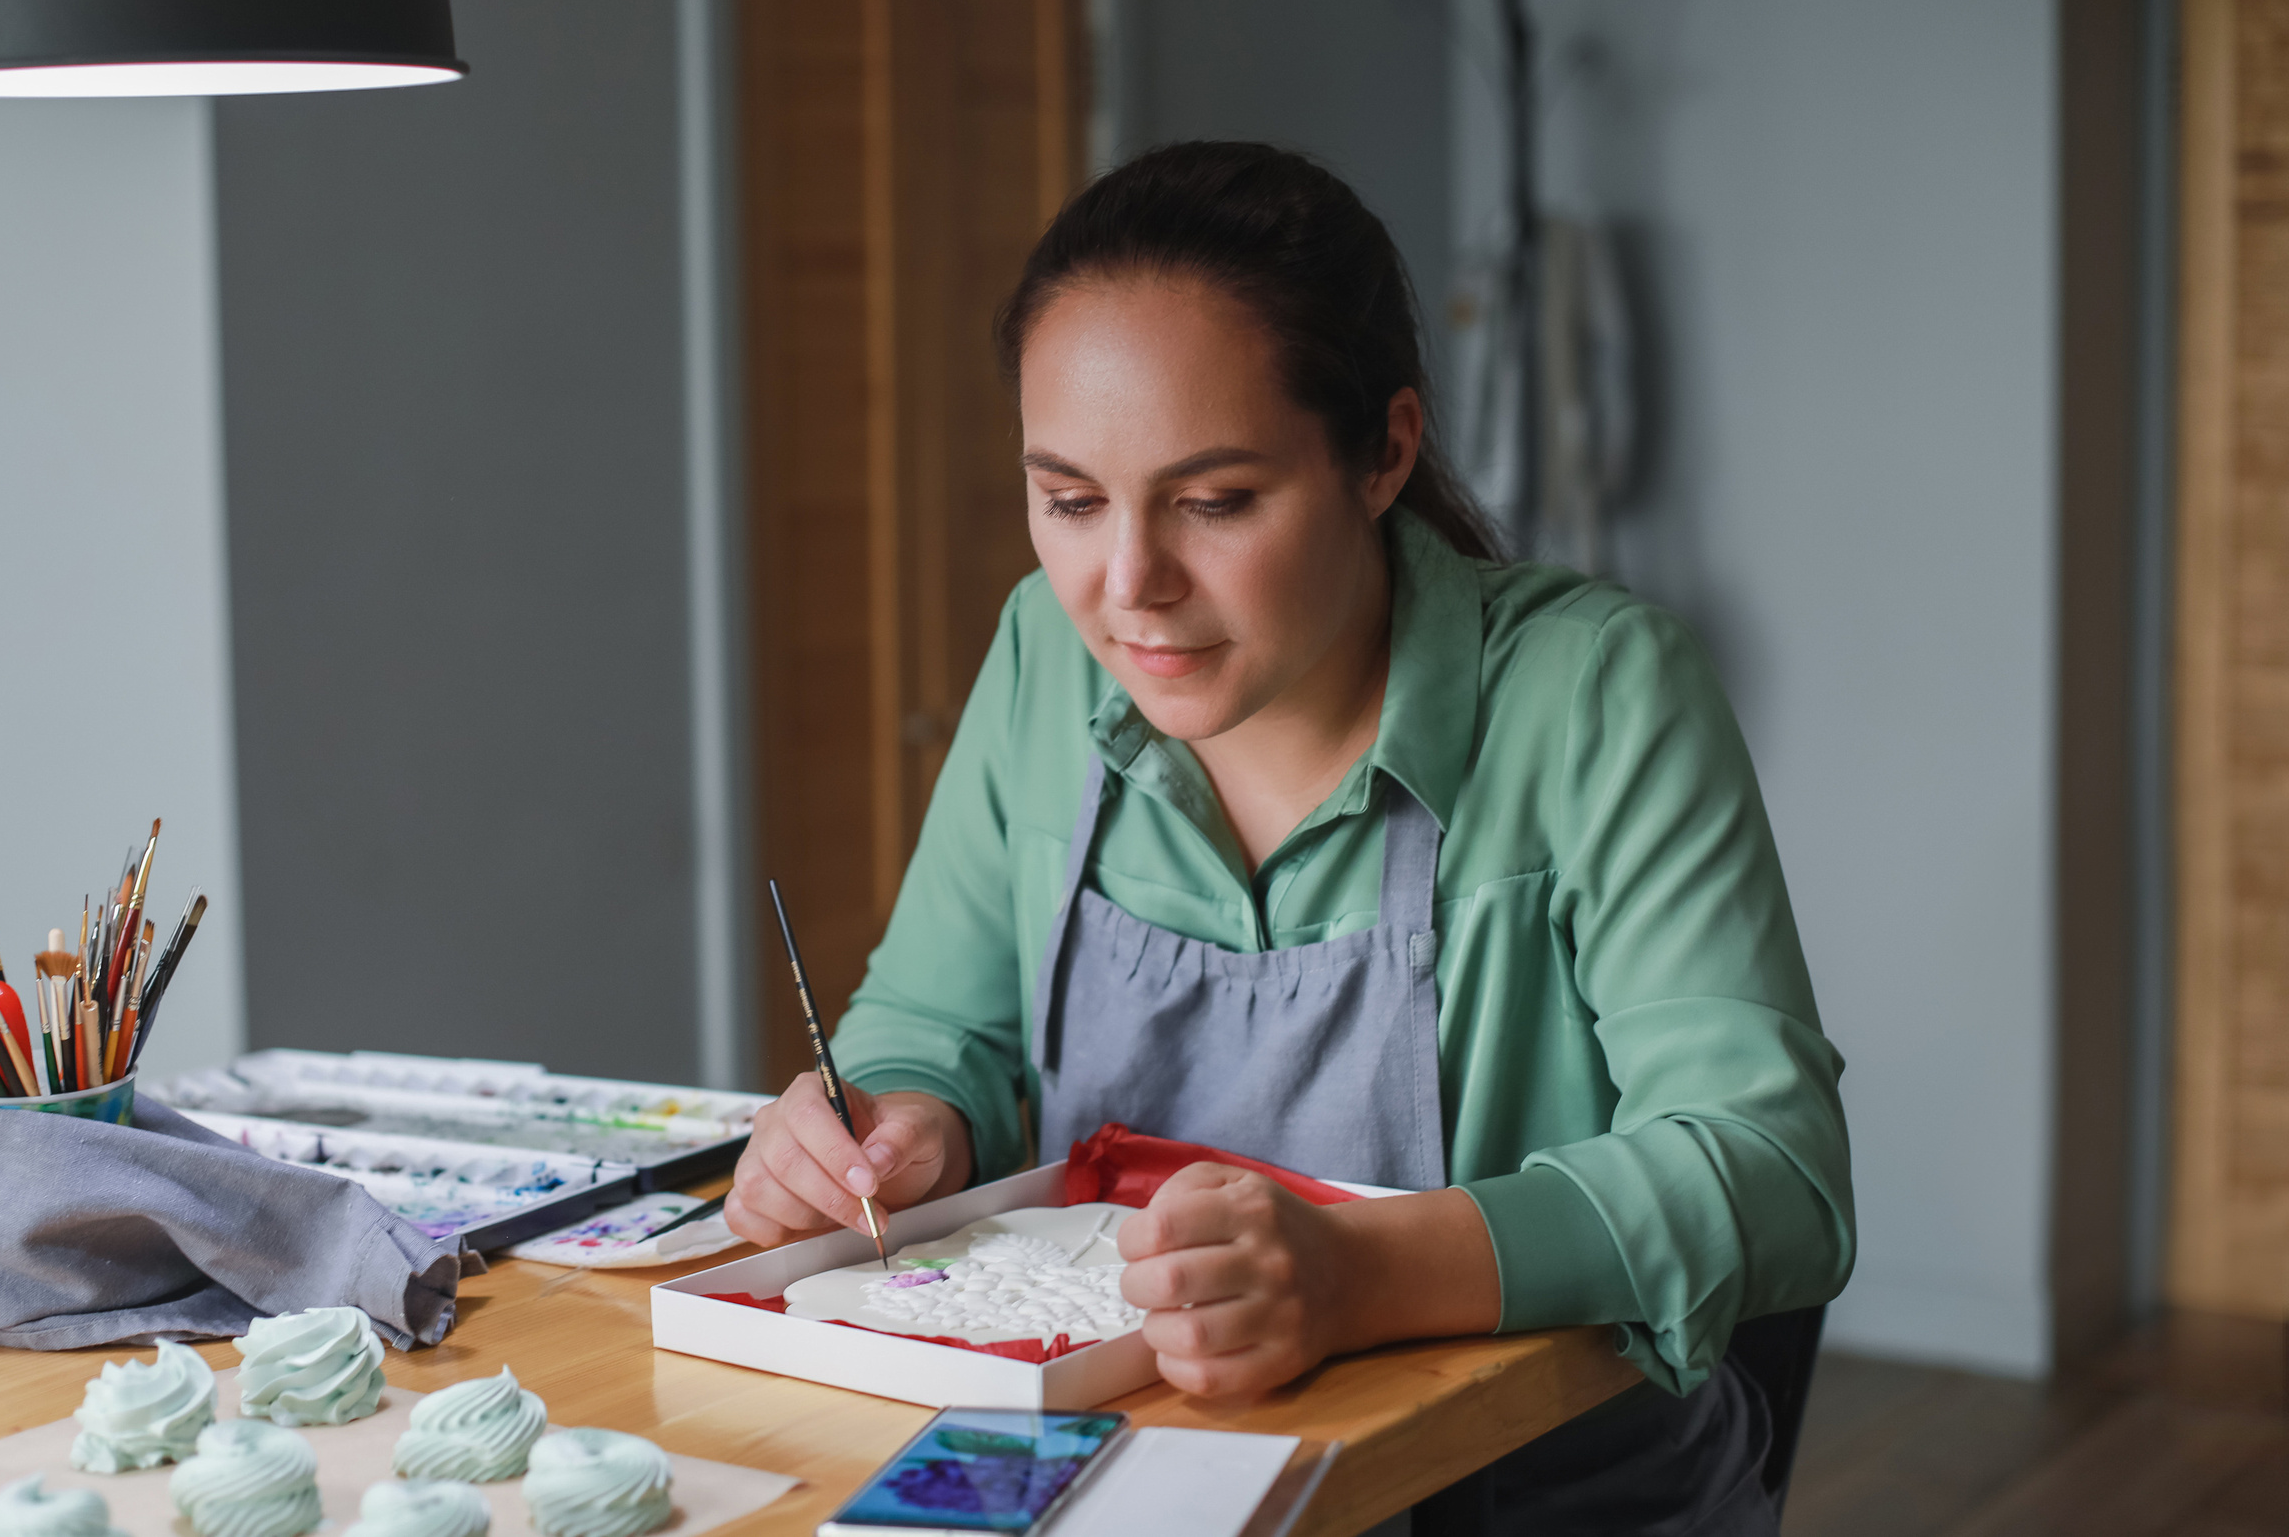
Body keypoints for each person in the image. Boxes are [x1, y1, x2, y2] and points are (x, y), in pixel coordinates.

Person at [723, 141, 1854, 1535]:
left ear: (1385, 450)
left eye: (1215, 502)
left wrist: (1363, 1273)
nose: (1126, 588)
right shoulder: (1044, 654)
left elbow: (1773, 1172)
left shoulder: (1595, 692)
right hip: (1117, 1486)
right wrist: (888, 1126)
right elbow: (931, 1028)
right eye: (1069, 501)